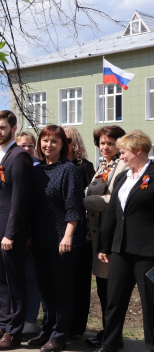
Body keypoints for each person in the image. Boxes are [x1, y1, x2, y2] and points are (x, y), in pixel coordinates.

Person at [87, 130, 154, 352]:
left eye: (124, 151)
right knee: (114, 299)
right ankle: (109, 345)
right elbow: (114, 213)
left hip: (148, 252)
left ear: (137, 151)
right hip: (120, 250)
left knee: (150, 304)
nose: (121, 155)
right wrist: (105, 246)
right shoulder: (125, 177)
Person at [28, 125, 84, 352]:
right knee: (45, 289)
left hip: (63, 240)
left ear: (63, 145)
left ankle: (60, 335)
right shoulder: (37, 170)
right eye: (44, 140)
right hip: (41, 239)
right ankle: (47, 330)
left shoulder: (69, 170)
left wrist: (68, 235)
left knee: (61, 289)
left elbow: (74, 209)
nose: (48, 145)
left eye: (54, 141)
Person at [0, 110, 32, 351]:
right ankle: (3, 322)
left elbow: (20, 199)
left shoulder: (19, 156)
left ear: (13, 128)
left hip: (9, 233)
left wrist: (10, 233)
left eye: (2, 127)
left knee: (14, 282)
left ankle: (14, 332)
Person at [83, 125, 127, 349]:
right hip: (96, 236)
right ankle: (109, 332)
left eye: (110, 143)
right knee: (102, 289)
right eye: (102, 143)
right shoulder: (103, 165)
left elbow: (112, 201)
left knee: (110, 291)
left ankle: (113, 335)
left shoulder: (121, 166)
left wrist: (81, 202)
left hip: (110, 238)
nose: (105, 147)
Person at [63, 126, 96, 340]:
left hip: (81, 233)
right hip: (59, 232)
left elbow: (89, 200)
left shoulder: (85, 167)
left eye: (65, 139)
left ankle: (77, 327)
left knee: (80, 282)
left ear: (74, 143)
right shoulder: (54, 165)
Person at [15, 130, 43, 334]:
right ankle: (17, 317)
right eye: (22, 146)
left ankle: (30, 320)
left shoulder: (38, 169)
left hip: (32, 234)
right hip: (14, 232)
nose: (27, 149)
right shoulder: (12, 166)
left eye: (30, 146)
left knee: (31, 278)